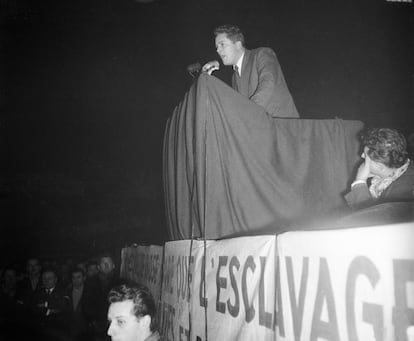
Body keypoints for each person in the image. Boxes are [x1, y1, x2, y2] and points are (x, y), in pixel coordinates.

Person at [202, 24, 299, 118]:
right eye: (217, 47)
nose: (218, 50)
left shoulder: (262, 54)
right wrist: (207, 78)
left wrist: (246, 113)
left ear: (238, 45)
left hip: (284, 126)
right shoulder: (234, 77)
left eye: (222, 44)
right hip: (261, 129)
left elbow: (268, 84)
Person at [345, 128, 414, 210]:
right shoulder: (397, 171)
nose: (362, 156)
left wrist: (359, 182)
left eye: (366, 156)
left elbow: (369, 219)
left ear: (379, 167)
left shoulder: (400, 194)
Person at [66, 267, 99, 341]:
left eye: (78, 277)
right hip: (71, 329)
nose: (76, 280)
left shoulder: (91, 291)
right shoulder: (67, 291)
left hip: (86, 329)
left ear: (84, 278)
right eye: (73, 277)